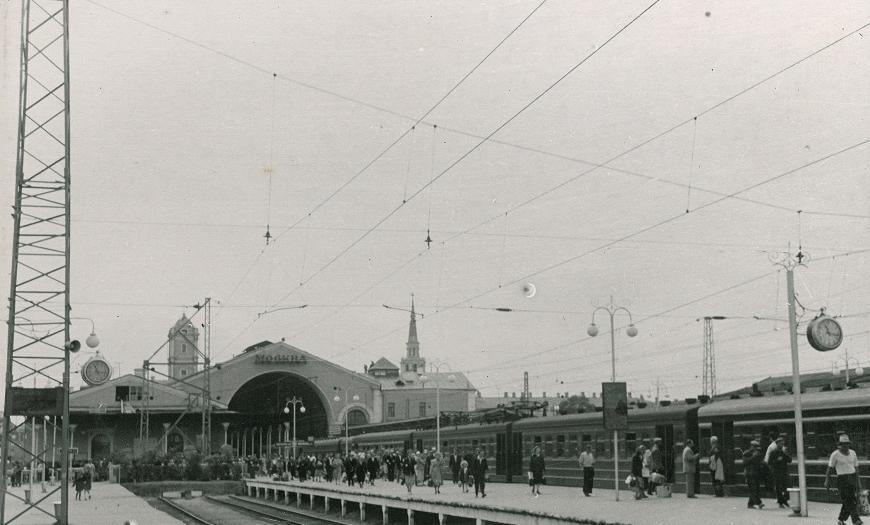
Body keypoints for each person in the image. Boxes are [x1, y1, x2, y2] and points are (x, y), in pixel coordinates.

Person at [824, 434, 863, 525]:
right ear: (840, 444)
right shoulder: (835, 454)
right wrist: (827, 480)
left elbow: (856, 468)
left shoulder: (853, 453)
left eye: (847, 444)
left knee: (849, 500)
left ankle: (841, 519)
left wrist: (859, 482)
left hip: (852, 477)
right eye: (843, 444)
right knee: (849, 499)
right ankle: (856, 519)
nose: (845, 446)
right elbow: (829, 468)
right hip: (842, 479)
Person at [768, 437, 792, 508]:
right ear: (777, 444)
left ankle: (784, 500)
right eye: (781, 444)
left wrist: (785, 454)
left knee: (788, 486)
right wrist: (777, 460)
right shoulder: (773, 452)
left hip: (784, 471)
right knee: (779, 487)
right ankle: (781, 502)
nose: (782, 445)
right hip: (776, 472)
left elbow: (790, 460)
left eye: (783, 444)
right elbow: (769, 462)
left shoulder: (783, 452)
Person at [743, 440, 765, 509]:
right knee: (753, 489)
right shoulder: (746, 453)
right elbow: (745, 462)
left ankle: (750, 504)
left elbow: (759, 462)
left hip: (756, 473)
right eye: (754, 447)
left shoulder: (757, 453)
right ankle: (759, 503)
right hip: (749, 473)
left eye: (756, 447)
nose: (755, 448)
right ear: (751, 446)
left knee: (756, 489)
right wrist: (754, 456)